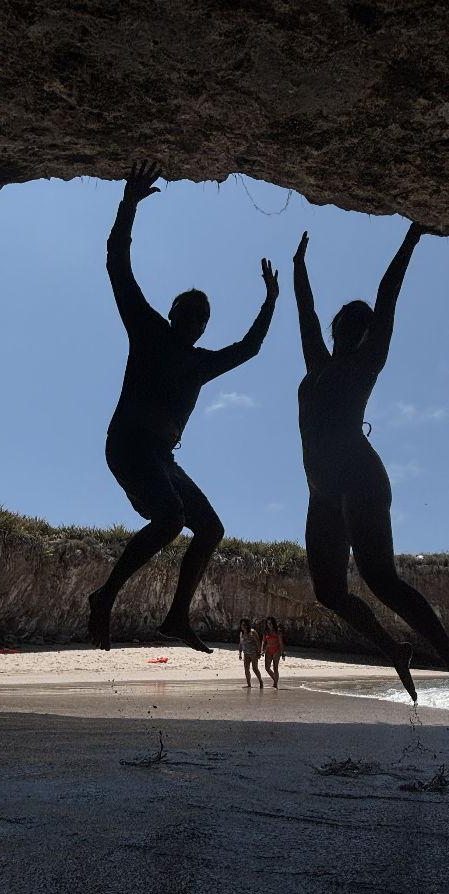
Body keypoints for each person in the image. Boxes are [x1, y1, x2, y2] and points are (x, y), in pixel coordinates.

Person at [292, 225, 449, 726]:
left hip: (359, 477)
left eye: (351, 327)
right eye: (342, 326)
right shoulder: (318, 366)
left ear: (360, 332)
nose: (341, 331)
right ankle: (394, 650)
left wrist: (410, 240)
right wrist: (297, 271)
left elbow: (388, 294)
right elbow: (305, 318)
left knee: (380, 579)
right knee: (329, 592)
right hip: (321, 492)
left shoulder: (366, 362)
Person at [88, 161, 280, 653]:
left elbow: (250, 348)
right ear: (173, 314)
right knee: (171, 520)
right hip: (128, 444)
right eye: (188, 312)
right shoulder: (149, 331)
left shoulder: (200, 363)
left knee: (211, 529)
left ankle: (177, 617)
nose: (194, 320)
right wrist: (128, 205)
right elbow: (117, 266)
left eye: (202, 317)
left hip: (163, 458)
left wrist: (270, 300)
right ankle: (104, 598)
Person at [238, 618, 264, 689]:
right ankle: (249, 684)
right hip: (246, 653)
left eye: (244, 625)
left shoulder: (253, 632)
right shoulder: (241, 633)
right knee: (246, 669)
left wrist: (259, 653)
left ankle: (261, 682)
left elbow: (258, 642)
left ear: (247, 625)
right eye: (241, 624)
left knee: (255, 669)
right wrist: (240, 653)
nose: (242, 626)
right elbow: (240, 644)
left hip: (253, 653)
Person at [261, 616, 284, 688]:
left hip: (276, 650)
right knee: (267, 668)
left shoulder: (278, 631)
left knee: (275, 668)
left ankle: (275, 684)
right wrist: (262, 650)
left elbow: (280, 642)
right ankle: (275, 679)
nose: (269, 624)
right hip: (268, 650)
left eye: (271, 623)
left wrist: (283, 653)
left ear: (273, 623)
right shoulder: (266, 631)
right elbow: (263, 641)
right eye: (268, 623)